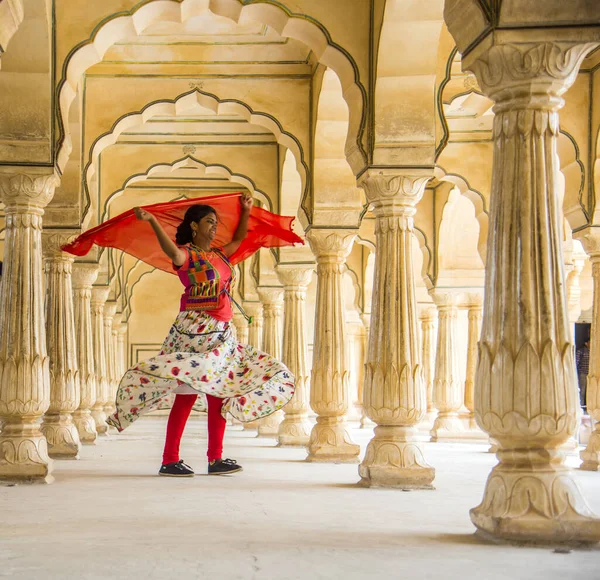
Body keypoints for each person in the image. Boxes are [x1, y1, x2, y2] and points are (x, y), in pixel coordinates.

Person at [107, 193, 295, 476]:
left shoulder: (220, 255)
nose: (215, 227)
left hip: (221, 333)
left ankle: (215, 458)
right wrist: (153, 222)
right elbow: (172, 252)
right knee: (185, 396)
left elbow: (241, 238)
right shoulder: (188, 255)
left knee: (219, 394)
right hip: (194, 332)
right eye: (209, 222)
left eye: (216, 222)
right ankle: (170, 459)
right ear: (194, 226)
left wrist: (245, 210)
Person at [576, 339, 590, 413]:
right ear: (586, 343)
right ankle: (581, 406)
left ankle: (589, 407)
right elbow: (576, 362)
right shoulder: (581, 351)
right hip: (583, 374)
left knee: (590, 391)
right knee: (582, 390)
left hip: (591, 375)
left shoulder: (594, 352)